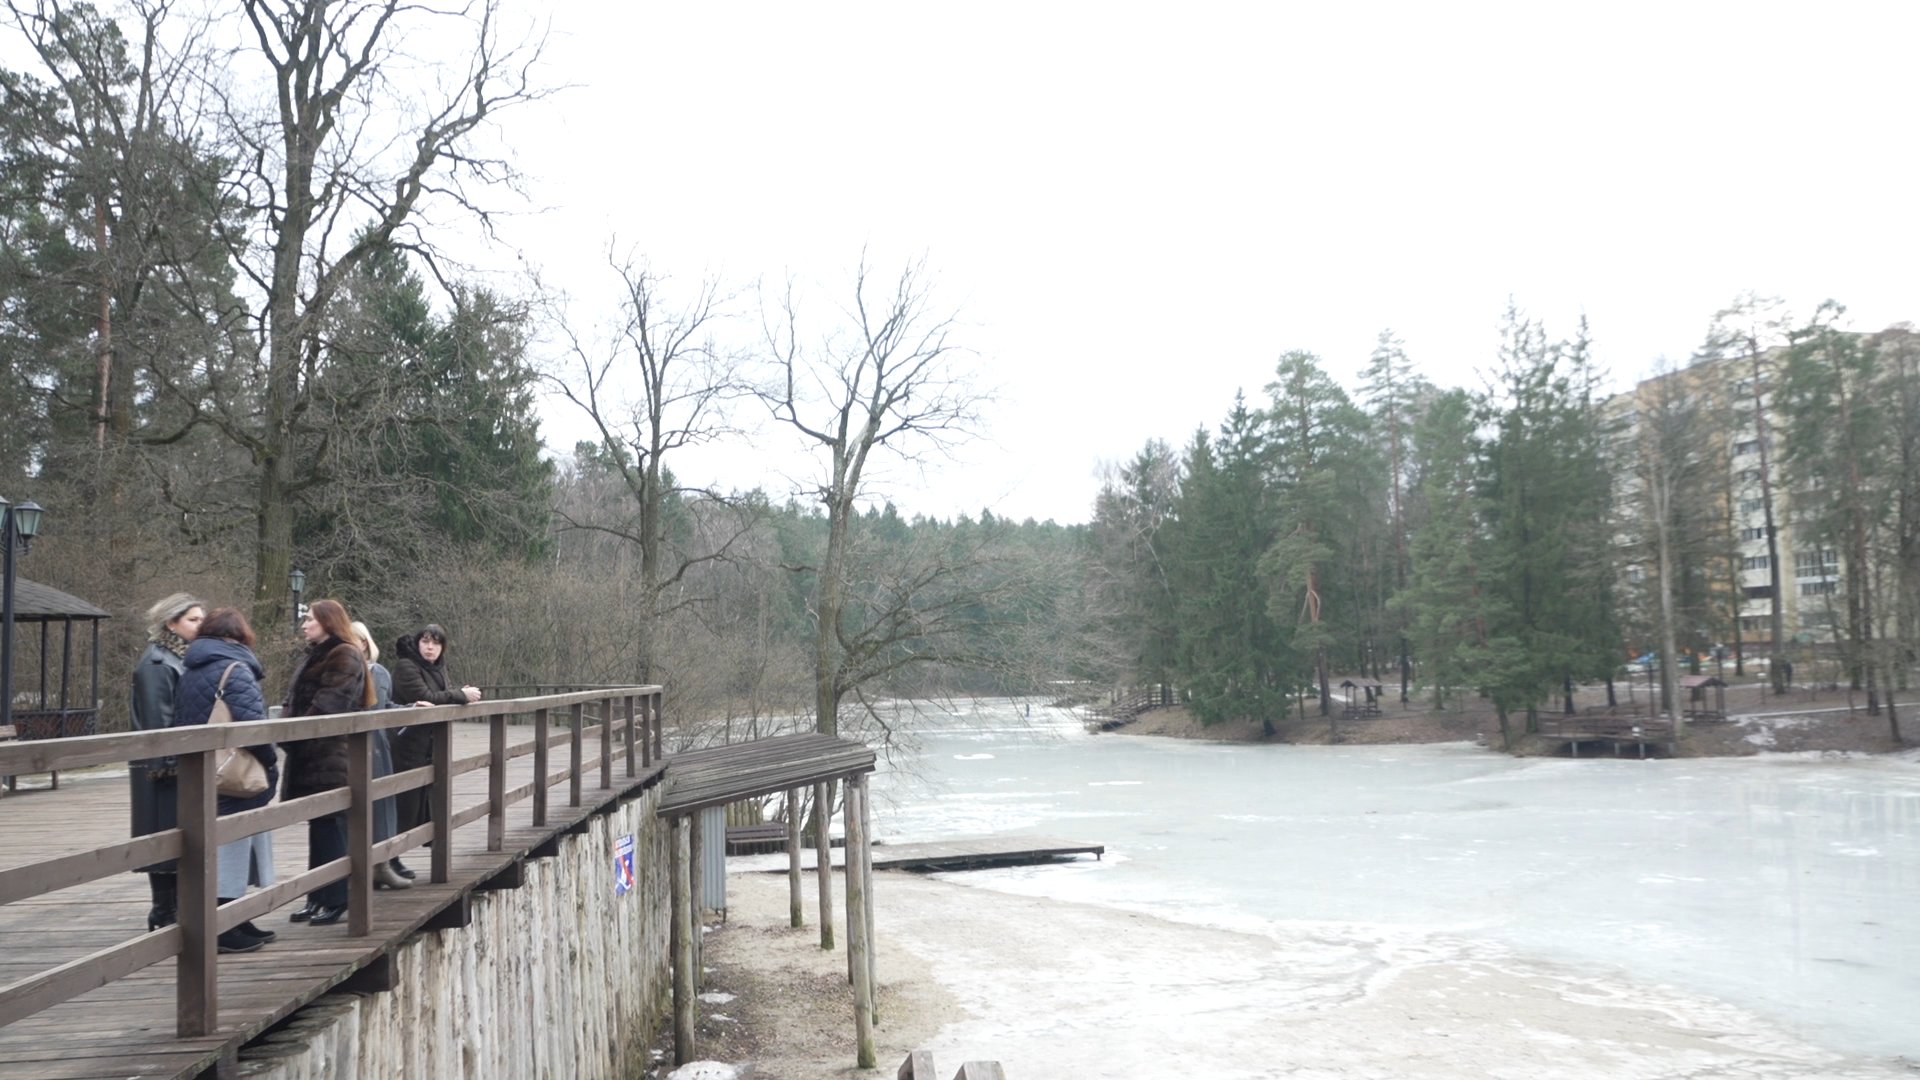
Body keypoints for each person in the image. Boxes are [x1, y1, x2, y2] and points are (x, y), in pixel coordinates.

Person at [172, 607, 280, 952]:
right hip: (234, 771)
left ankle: (235, 919)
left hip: (202, 770)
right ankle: (224, 927)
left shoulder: (191, 668)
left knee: (219, 845)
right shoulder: (236, 669)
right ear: (238, 636)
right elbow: (253, 727)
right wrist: (270, 762)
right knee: (232, 845)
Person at [282, 599, 374, 926]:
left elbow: (329, 705)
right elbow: (293, 700)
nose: (304, 624)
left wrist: (292, 734)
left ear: (328, 622)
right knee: (318, 826)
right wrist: (286, 729)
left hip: (329, 756)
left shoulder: (344, 653)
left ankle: (337, 898)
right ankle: (317, 896)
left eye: (310, 619)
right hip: (310, 755)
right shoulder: (317, 654)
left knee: (330, 826)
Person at [130, 592, 204, 932]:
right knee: (162, 836)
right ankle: (163, 910)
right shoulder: (157, 663)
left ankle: (175, 909)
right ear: (171, 623)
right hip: (161, 768)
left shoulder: (180, 657)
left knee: (177, 837)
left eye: (202, 619)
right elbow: (157, 723)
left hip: (176, 763)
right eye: (193, 619)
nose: (200, 625)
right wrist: (170, 765)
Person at [388, 624, 481, 859]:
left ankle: (397, 858)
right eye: (426, 642)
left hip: (427, 747)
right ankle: (388, 859)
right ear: (417, 643)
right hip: (405, 745)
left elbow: (439, 695)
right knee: (402, 805)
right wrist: (460, 695)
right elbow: (426, 697)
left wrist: (459, 693)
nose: (430, 648)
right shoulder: (406, 666)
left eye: (436, 643)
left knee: (425, 802)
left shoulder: (436, 668)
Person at [351, 621, 411, 890]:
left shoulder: (377, 672)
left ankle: (382, 865)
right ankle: (358, 870)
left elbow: (382, 709)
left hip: (373, 744)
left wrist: (411, 708)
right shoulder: (340, 671)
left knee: (380, 804)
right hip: (345, 747)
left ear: (364, 643)